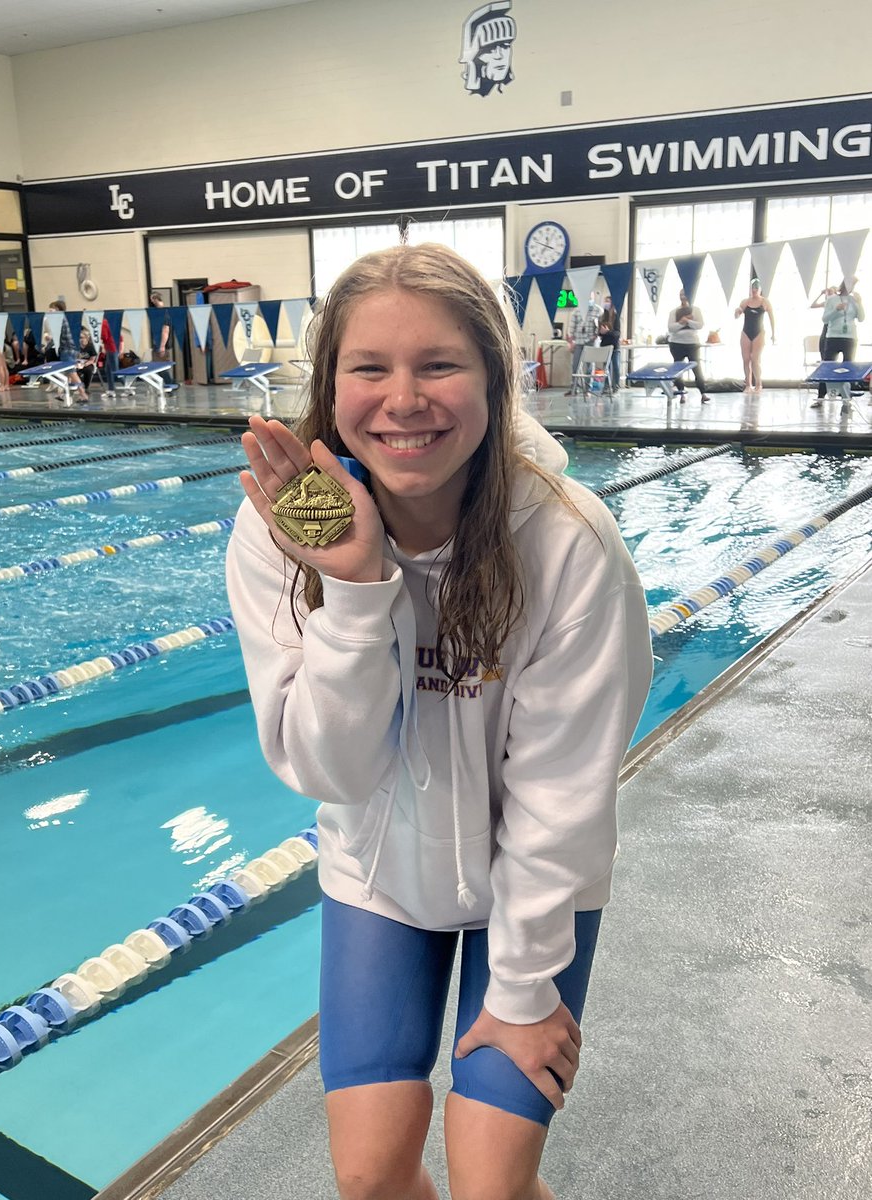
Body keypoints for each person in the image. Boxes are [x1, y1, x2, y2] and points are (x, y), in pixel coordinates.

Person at [226, 243, 653, 1200]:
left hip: (535, 891)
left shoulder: (567, 540)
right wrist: (358, 588)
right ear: (331, 384)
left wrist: (525, 988)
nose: (404, 400)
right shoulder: (279, 529)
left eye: (440, 365)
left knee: (493, 1184)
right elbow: (325, 769)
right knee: (372, 1179)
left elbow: (560, 798)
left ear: (497, 382)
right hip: (383, 881)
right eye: (370, 368)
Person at [811, 277, 865, 407]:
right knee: (827, 367)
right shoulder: (832, 299)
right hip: (833, 337)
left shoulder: (853, 300)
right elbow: (825, 319)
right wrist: (836, 310)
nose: (851, 287)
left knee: (847, 368)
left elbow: (861, 318)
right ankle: (820, 397)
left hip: (850, 338)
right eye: (850, 284)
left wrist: (860, 303)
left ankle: (846, 399)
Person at [667, 289, 711, 404]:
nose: (683, 297)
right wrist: (681, 323)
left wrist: (687, 321)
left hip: (692, 343)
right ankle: (681, 392)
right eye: (681, 295)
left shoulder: (696, 310)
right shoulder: (674, 312)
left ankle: (703, 393)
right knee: (677, 369)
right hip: (676, 344)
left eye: (685, 295)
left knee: (697, 368)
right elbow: (671, 328)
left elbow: (700, 325)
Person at [734, 278, 774, 393]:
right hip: (746, 332)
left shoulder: (764, 302)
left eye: (756, 288)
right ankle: (748, 384)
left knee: (755, 359)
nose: (754, 290)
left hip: (759, 332)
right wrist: (736, 311)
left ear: (760, 289)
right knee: (746, 359)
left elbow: (772, 318)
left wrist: (773, 333)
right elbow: (737, 315)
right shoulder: (745, 302)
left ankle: (758, 383)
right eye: (753, 288)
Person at [47, 300, 88, 401]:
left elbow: (57, 336)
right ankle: (63, 394)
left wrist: (49, 341)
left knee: (72, 373)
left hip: (67, 350)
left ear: (58, 309)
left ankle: (83, 394)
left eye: (52, 309)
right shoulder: (62, 319)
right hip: (69, 349)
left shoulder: (59, 319)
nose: (50, 311)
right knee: (67, 374)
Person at [598, 296, 621, 394]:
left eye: (608, 302)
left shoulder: (616, 317)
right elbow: (599, 333)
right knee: (606, 367)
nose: (606, 304)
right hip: (605, 346)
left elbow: (617, 334)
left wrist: (607, 332)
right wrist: (601, 332)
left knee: (615, 366)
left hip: (614, 346)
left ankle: (616, 385)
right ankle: (606, 386)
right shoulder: (602, 317)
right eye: (605, 302)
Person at [76, 327, 98, 397]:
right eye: (80, 338)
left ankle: (86, 387)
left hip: (88, 362)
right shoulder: (77, 347)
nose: (81, 340)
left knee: (88, 370)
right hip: (78, 363)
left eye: (82, 338)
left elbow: (92, 359)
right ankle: (79, 387)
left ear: (86, 338)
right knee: (74, 371)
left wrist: (85, 364)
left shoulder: (91, 347)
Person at [149, 292, 171, 359]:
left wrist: (162, 346)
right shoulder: (158, 312)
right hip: (157, 344)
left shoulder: (163, 313)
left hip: (161, 346)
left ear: (155, 299)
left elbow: (165, 330)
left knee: (162, 366)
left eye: (152, 299)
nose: (151, 301)